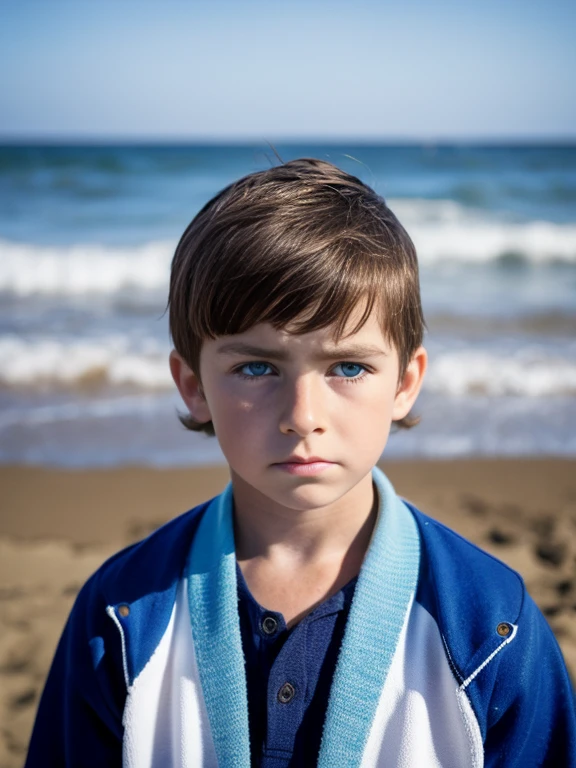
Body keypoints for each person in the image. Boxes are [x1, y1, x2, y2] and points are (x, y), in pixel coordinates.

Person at [27, 159, 575, 767]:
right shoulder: (121, 617)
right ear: (193, 386)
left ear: (405, 381)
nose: (302, 414)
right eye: (257, 368)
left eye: (348, 367)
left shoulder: (492, 629)